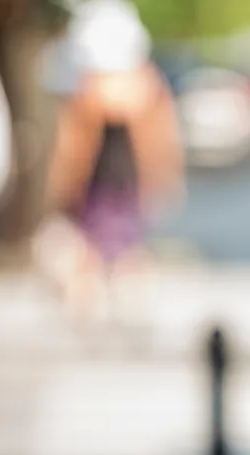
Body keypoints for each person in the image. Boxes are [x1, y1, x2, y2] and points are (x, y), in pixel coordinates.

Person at [40, 0, 183, 325]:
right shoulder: (146, 85)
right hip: (123, 179)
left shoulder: (88, 90)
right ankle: (116, 307)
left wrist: (62, 186)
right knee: (122, 246)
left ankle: (92, 309)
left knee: (97, 246)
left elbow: (73, 148)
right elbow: (162, 138)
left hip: (103, 180)